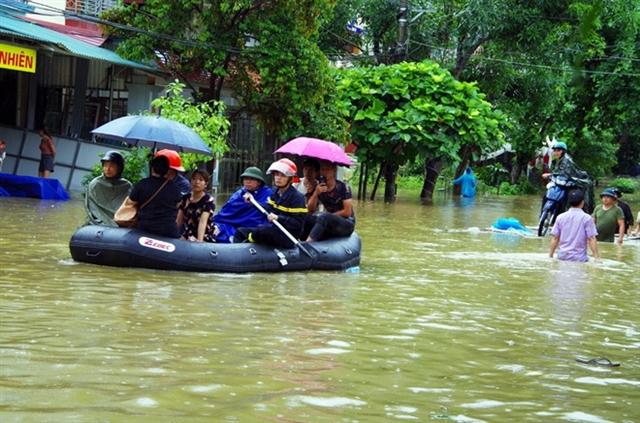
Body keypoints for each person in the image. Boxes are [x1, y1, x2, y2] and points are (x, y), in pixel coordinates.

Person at [234, 159, 307, 248]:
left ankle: (249, 243)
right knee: (240, 231)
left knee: (262, 230)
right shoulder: (275, 192)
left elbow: (298, 224)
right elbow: (268, 209)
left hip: (288, 236)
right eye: (276, 174)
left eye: (283, 175)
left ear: (290, 179)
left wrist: (278, 218)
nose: (278, 178)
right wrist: (253, 202)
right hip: (275, 230)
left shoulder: (297, 197)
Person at [118, 155, 182, 238]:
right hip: (168, 231)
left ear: (152, 168)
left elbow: (130, 202)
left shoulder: (142, 184)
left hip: (145, 229)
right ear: (167, 170)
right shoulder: (174, 188)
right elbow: (178, 204)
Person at [213, 166, 272, 243]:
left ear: (259, 182)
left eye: (251, 179)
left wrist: (253, 202)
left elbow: (268, 212)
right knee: (217, 228)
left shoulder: (267, 194)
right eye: (246, 179)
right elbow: (225, 214)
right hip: (232, 226)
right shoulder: (239, 194)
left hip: (253, 228)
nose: (248, 182)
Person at [305, 160, 355, 242]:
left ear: (334, 171)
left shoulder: (343, 187)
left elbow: (347, 212)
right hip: (329, 221)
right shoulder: (319, 187)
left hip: (346, 222)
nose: (325, 172)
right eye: (323, 170)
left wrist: (329, 217)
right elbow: (310, 210)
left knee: (324, 217)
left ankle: (308, 243)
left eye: (328, 169)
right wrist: (315, 194)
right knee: (307, 218)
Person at [549, 189, 599, 262]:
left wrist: (550, 255)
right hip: (579, 258)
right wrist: (597, 258)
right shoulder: (587, 218)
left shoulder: (560, 217)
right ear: (582, 202)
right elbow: (591, 238)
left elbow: (555, 238)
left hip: (562, 256)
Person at [85, 151, 132, 226]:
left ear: (119, 168)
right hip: (97, 225)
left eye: (112, 166)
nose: (108, 169)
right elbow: (91, 210)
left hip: (120, 225)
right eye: (105, 165)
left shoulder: (127, 186)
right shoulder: (95, 184)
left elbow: (129, 210)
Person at [176, 169, 216, 242]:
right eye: (194, 179)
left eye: (201, 180)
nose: (197, 182)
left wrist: (199, 242)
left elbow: (202, 222)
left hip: (204, 235)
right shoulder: (185, 198)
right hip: (188, 234)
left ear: (206, 184)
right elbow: (179, 221)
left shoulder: (208, 200)